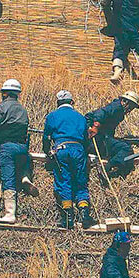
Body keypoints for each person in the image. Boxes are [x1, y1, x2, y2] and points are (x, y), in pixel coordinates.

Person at [0, 78, 38, 225]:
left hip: (7, 146)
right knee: (22, 161)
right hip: (22, 147)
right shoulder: (22, 109)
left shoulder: (1, 107)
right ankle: (25, 177)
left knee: (8, 178)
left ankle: (10, 214)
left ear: (5, 94)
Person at [42, 90, 94, 230]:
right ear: (72, 102)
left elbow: (46, 137)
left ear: (58, 103)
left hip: (61, 149)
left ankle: (68, 217)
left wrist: (47, 151)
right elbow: (86, 139)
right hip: (78, 150)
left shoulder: (52, 116)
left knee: (64, 181)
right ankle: (84, 215)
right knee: (81, 182)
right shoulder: (80, 117)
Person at [86, 91, 139, 178]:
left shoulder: (119, 110)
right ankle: (107, 168)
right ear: (125, 102)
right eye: (131, 106)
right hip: (98, 139)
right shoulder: (117, 106)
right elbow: (101, 112)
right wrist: (95, 126)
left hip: (100, 137)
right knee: (126, 148)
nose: (131, 110)